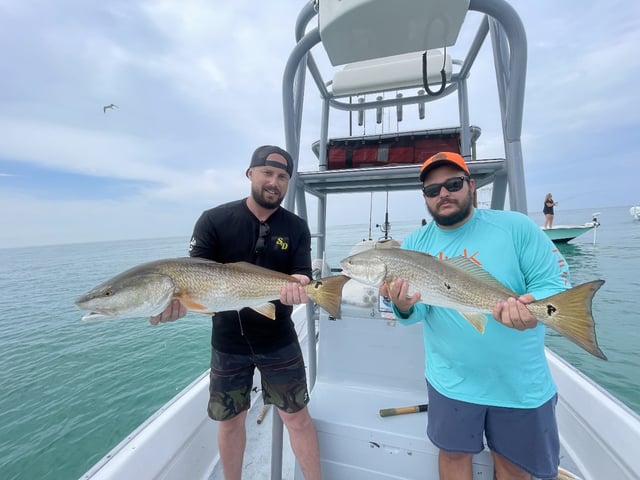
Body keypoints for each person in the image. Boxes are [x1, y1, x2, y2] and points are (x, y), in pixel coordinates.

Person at [382, 152, 568, 480]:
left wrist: (532, 305)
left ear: (471, 186)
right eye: (432, 189)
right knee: (453, 457)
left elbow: (555, 283)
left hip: (518, 383)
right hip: (450, 382)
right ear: (424, 197)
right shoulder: (415, 245)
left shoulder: (516, 227)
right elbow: (415, 314)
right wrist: (404, 305)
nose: (443, 194)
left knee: (513, 467)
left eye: (453, 184)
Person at [149, 145, 322, 480]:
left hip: (279, 338)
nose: (274, 182)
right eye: (268, 174)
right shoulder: (214, 220)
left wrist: (301, 284)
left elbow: (302, 274)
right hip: (228, 343)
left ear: (288, 182)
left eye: (282, 177)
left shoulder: (296, 227)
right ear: (251, 174)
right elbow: (193, 276)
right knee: (230, 422)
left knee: (297, 417)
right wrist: (170, 304)